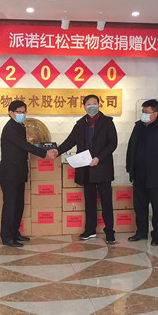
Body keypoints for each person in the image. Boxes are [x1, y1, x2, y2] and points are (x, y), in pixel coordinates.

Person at [56, 95, 118, 243]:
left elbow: (112, 143)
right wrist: (57, 151)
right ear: (84, 107)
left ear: (99, 104)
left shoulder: (107, 122)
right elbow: (70, 141)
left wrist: (99, 158)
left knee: (106, 202)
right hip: (86, 168)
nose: (92, 106)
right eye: (89, 104)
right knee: (89, 201)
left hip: (102, 168)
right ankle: (90, 230)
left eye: (94, 103)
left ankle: (109, 231)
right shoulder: (80, 124)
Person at [0, 100, 58, 247]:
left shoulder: (20, 126)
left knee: (19, 204)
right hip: (10, 173)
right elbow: (24, 145)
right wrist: (45, 153)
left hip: (19, 171)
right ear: (10, 113)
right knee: (10, 205)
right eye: (18, 112)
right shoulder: (10, 128)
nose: (22, 114)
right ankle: (7, 237)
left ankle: (14, 232)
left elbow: (23, 150)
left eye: (23, 112)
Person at [126, 99, 158, 246]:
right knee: (140, 206)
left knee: (157, 207)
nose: (144, 114)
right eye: (143, 112)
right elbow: (131, 148)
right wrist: (130, 167)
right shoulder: (138, 127)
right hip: (139, 175)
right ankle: (141, 232)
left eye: (147, 112)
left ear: (156, 113)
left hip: (157, 176)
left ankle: (157, 234)